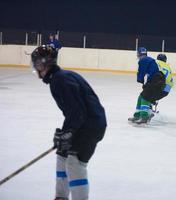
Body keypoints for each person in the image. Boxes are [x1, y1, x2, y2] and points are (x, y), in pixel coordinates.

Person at [30, 45, 107, 200]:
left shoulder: (60, 80)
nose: (35, 68)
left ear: (41, 65)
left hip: (91, 126)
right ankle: (61, 197)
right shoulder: (59, 77)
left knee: (74, 163)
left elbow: (78, 112)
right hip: (84, 123)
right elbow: (75, 112)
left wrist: (68, 132)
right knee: (62, 154)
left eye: (36, 64)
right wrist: (65, 132)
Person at [128, 47, 173, 124]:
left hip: (158, 85)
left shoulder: (157, 63)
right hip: (166, 90)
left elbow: (150, 74)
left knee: (145, 97)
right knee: (142, 96)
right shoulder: (168, 67)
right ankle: (138, 115)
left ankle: (145, 116)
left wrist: (144, 82)